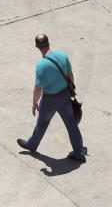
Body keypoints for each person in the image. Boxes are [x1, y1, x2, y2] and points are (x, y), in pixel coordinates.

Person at [16, 34, 86, 162]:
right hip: (64, 95)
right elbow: (71, 77)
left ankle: (31, 145)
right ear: (49, 43)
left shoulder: (41, 65)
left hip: (50, 100)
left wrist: (34, 103)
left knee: (42, 123)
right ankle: (79, 151)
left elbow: (38, 88)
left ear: (37, 46)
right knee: (71, 123)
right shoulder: (62, 55)